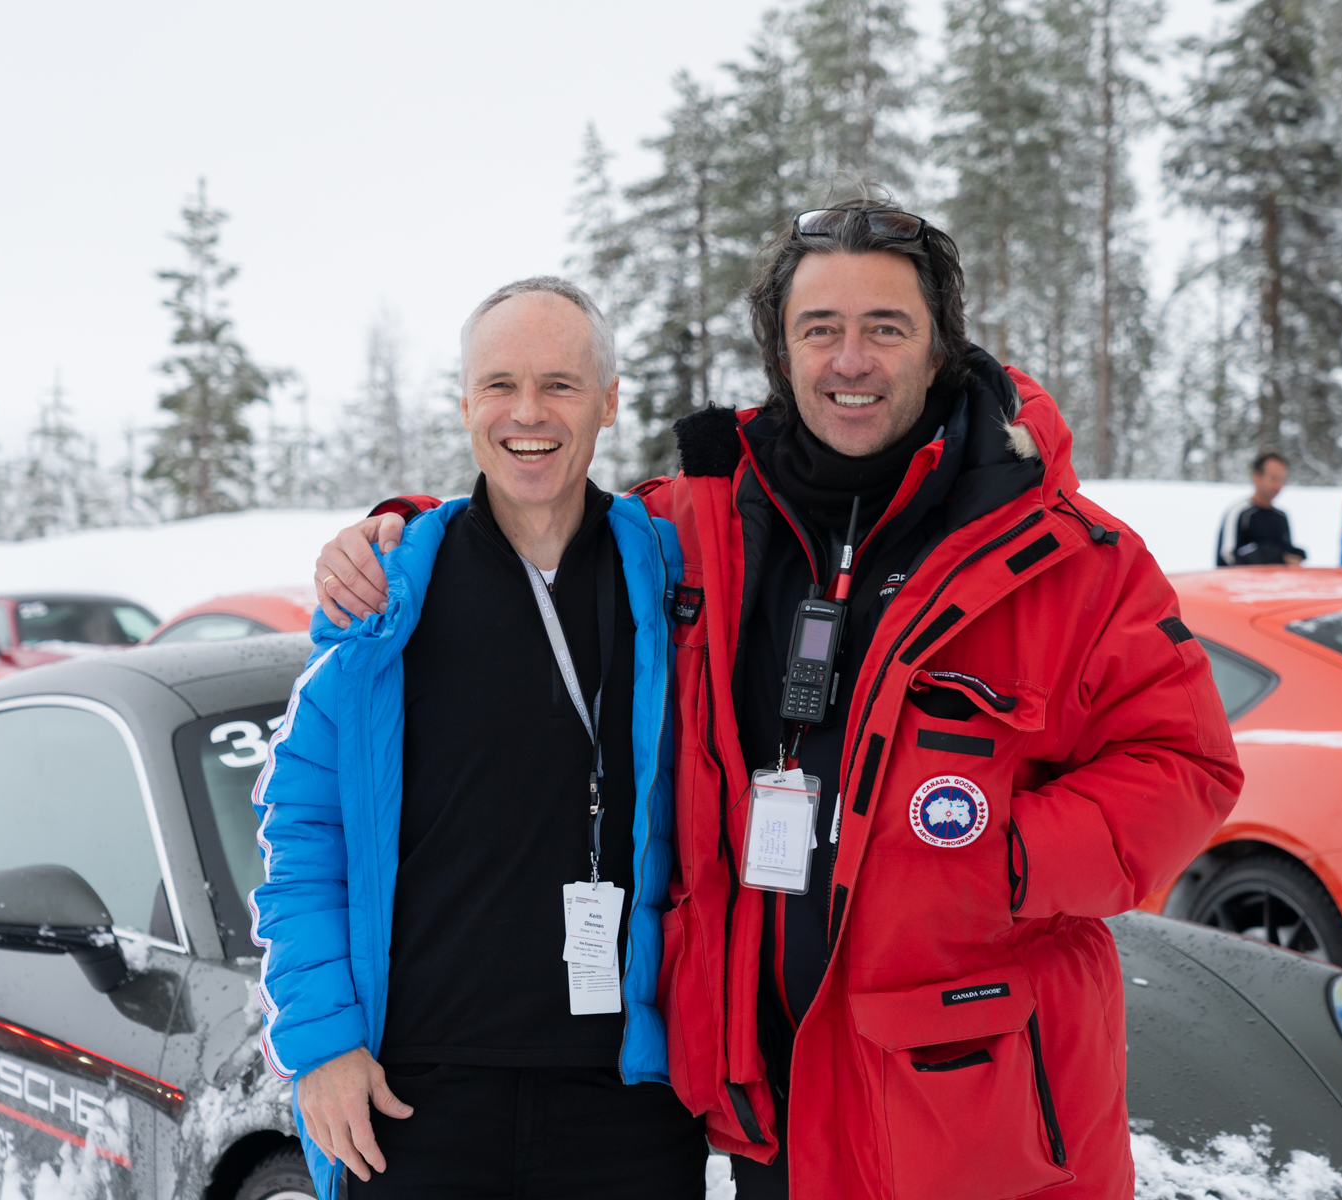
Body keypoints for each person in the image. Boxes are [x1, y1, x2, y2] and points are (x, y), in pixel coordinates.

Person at [315, 201, 1242, 1199]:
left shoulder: (1063, 554)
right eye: (820, 328)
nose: (851, 359)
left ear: (940, 347)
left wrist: (997, 859)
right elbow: (541, 517)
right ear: (781, 350)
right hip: (773, 1108)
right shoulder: (706, 519)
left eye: (886, 327)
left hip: (973, 1109)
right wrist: (396, 536)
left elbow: (1186, 766)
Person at [252, 277, 705, 1199]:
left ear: (608, 401)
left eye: (559, 384)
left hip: (629, 1102)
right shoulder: (387, 599)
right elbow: (302, 833)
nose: (527, 413)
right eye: (499, 385)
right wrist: (323, 1043)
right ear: (464, 403)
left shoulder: (672, 578)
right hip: (415, 1099)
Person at [1216, 451, 1307, 566]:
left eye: (1282, 479)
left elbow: (1283, 553)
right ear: (1256, 477)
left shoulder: (1281, 516)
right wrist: (1267, 557)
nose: (1278, 485)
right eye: (1273, 479)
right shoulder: (1240, 513)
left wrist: (1295, 555)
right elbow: (1226, 557)